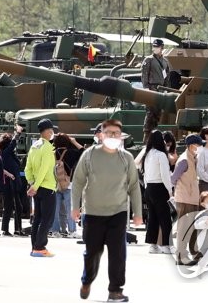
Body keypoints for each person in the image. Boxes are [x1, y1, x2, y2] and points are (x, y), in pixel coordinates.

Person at [71, 118, 143, 302]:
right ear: (101, 135)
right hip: (93, 212)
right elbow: (78, 181)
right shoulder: (89, 155)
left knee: (118, 254)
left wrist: (137, 213)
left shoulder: (126, 157)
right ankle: (87, 281)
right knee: (92, 253)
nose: (113, 136)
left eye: (116, 133)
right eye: (109, 133)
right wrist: (75, 207)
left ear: (121, 136)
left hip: (118, 212)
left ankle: (115, 290)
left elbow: (134, 186)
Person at [25, 118, 58, 257]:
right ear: (48, 131)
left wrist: (32, 184)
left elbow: (28, 168)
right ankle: (40, 247)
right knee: (47, 219)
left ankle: (34, 247)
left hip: (37, 188)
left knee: (37, 218)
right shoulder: (48, 147)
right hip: (47, 187)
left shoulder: (34, 146)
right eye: (51, 130)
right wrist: (36, 186)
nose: (52, 133)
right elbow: (45, 168)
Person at [172, 133, 203, 264]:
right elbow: (173, 178)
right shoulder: (184, 160)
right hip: (185, 199)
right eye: (198, 145)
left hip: (191, 198)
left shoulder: (192, 159)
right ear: (191, 146)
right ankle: (181, 256)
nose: (199, 147)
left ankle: (191, 253)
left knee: (190, 228)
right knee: (184, 229)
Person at [142, 130, 173, 254]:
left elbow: (144, 173)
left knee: (152, 217)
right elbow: (165, 174)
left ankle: (152, 245)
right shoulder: (161, 155)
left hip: (149, 187)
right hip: (160, 187)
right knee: (165, 218)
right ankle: (166, 245)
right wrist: (170, 190)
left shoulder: (147, 154)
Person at [51, 132, 82, 239]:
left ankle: (55, 231)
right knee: (70, 209)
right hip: (68, 184)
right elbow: (83, 151)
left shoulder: (52, 153)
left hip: (54, 184)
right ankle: (72, 231)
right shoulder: (71, 153)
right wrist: (74, 141)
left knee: (55, 209)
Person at [0, 126, 25, 237]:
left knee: (14, 207)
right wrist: (17, 133)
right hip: (9, 183)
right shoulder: (6, 153)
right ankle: (9, 229)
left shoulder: (8, 154)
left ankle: (16, 229)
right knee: (11, 207)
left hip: (13, 183)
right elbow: (13, 144)